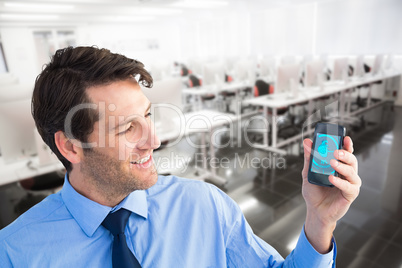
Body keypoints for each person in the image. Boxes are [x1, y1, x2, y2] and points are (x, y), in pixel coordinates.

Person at [0, 46, 361, 267]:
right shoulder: (16, 253)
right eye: (127, 128)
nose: (153, 140)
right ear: (70, 147)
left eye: (148, 116)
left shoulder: (205, 206)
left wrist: (319, 222)